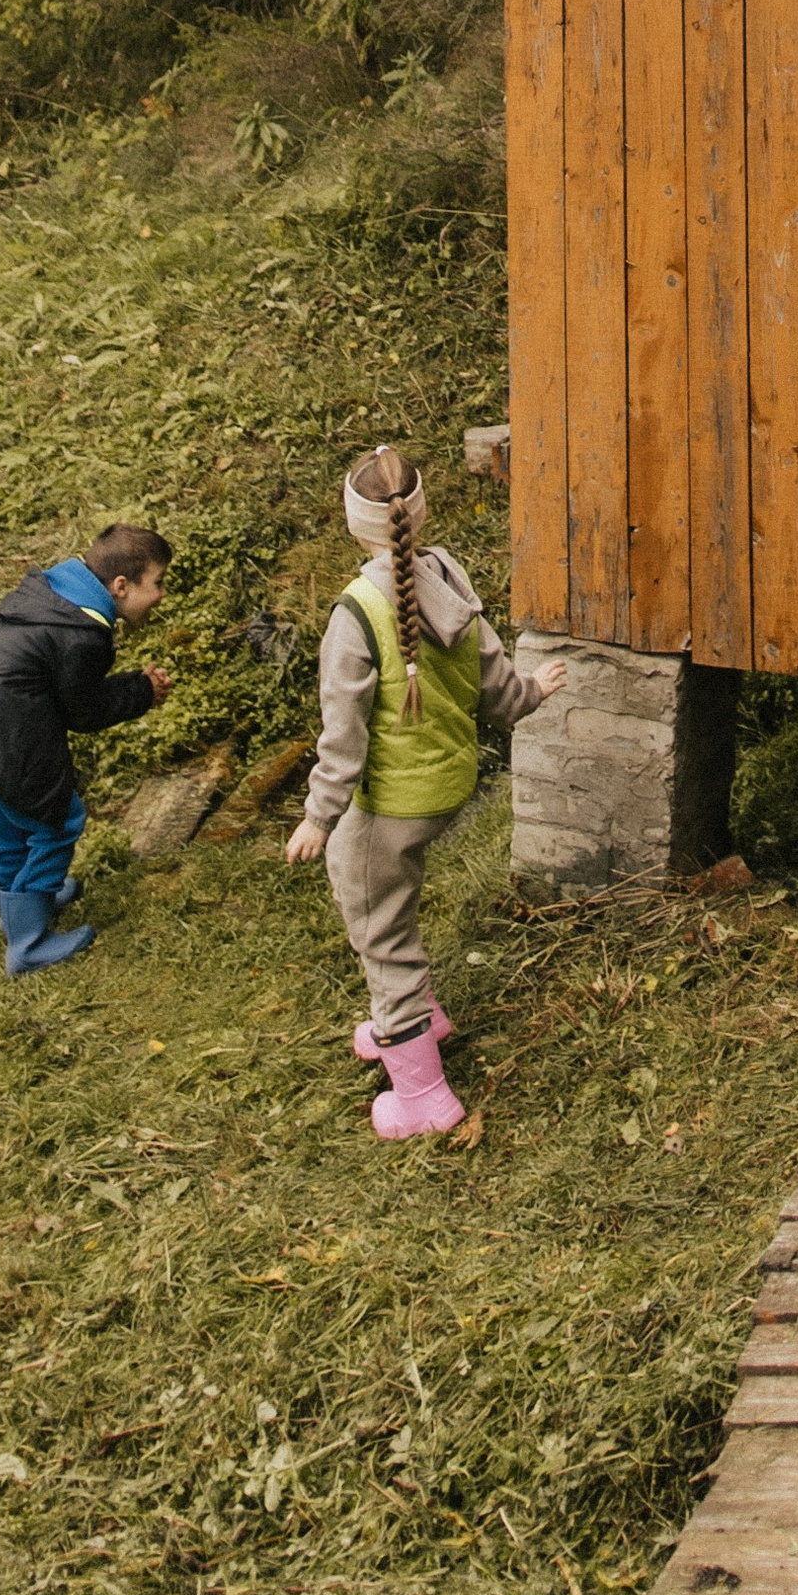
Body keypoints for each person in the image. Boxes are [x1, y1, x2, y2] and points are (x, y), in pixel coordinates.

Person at [285, 445, 564, 1140]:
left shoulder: (355, 615)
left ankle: (423, 1094)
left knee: (378, 928)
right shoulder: (448, 576)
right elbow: (496, 684)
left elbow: (343, 735)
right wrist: (532, 691)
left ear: (355, 525)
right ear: (423, 510)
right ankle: (420, 1018)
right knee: (380, 889)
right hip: (448, 784)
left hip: (391, 801)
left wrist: (319, 816)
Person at [0, 523, 175, 975]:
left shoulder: (56, 599)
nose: (162, 594)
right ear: (121, 586)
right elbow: (83, 711)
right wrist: (141, 691)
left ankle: (15, 906)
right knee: (57, 823)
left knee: (8, 825)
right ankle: (28, 942)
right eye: (157, 583)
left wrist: (131, 685)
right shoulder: (82, 633)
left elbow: (67, 690)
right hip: (7, 739)